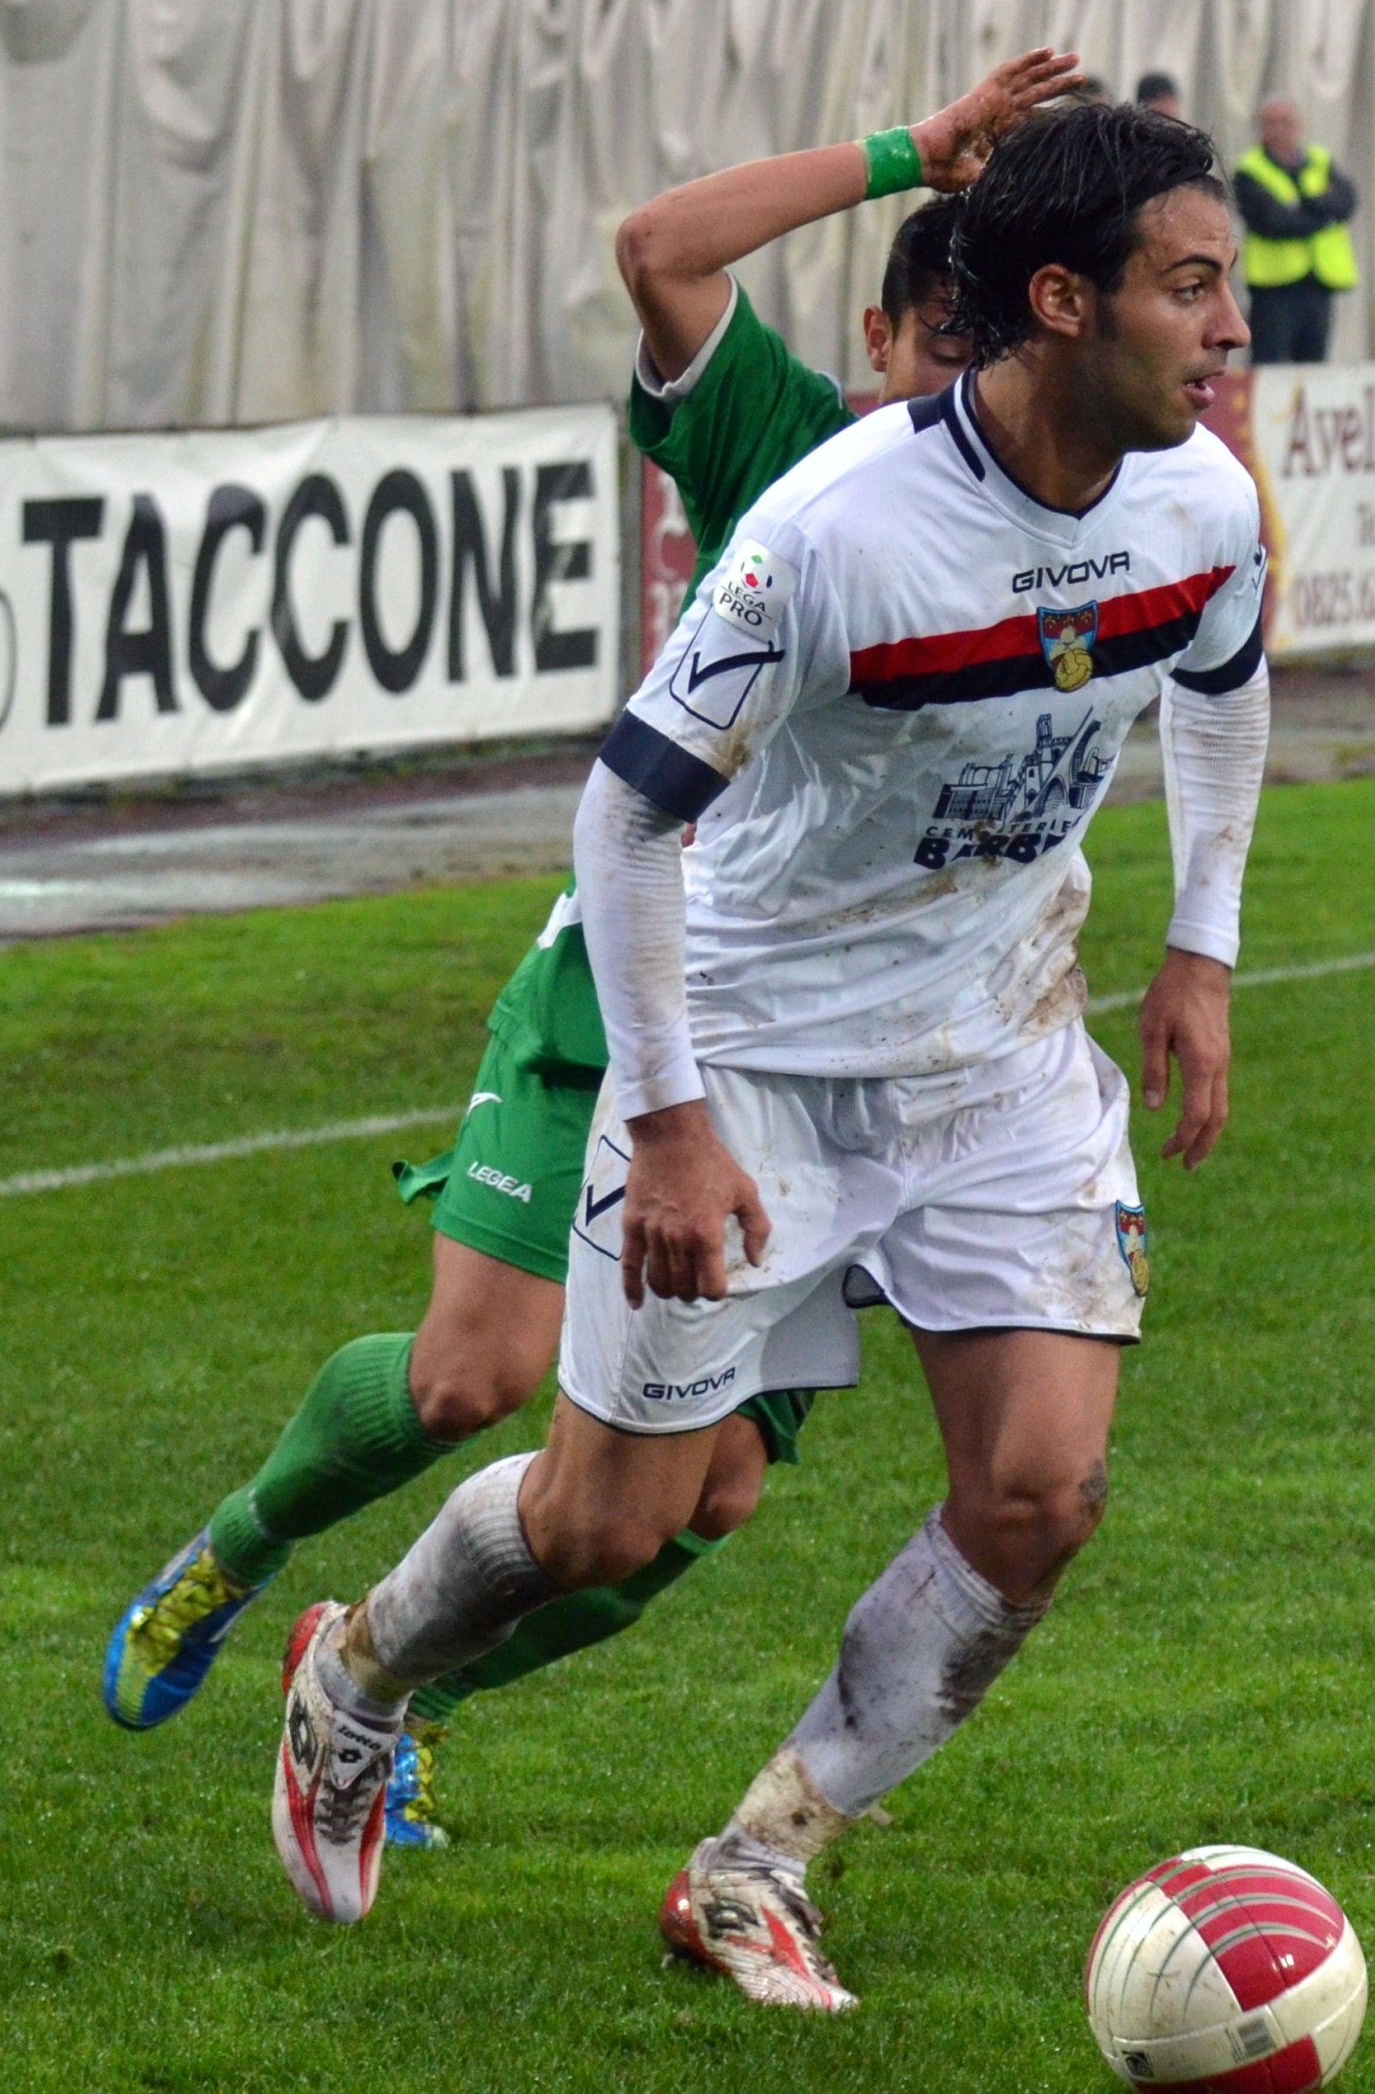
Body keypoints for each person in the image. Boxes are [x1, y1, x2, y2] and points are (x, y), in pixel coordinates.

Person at [265, 101, 1268, 2019]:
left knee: (1042, 1496)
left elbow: (1224, 682)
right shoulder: (837, 530)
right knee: (606, 1524)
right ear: (1064, 302)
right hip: (756, 1072)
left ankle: (758, 1862)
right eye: (1191, 285)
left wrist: (1201, 947)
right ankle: (361, 1670)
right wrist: (667, 1123)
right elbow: (627, 816)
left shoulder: (1200, 501)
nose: (1229, 329)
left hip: (1002, 1054)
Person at [101, 48, 1081, 1837]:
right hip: (642, 980)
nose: (966, 387)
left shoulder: (1060, 521)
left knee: (706, 1498)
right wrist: (910, 151)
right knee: (466, 1374)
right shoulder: (799, 450)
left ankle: (386, 1683)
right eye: (939, 348)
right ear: (879, 340)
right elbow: (660, 248)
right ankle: (233, 1552)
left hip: (853, 1046)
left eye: (995, 354)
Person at [1233, 94, 1360, 363]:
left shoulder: (1320, 160)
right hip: (1274, 289)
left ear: (1299, 126)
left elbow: (1347, 200)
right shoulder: (1249, 169)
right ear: (1261, 129)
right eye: (1272, 123)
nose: (1280, 130)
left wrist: (1305, 204)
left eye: (1286, 122)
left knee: (1314, 369)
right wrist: (1323, 218)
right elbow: (1274, 222)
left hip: (1318, 284)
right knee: (1271, 367)